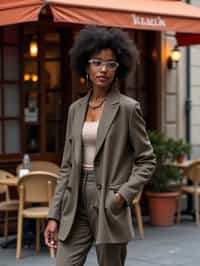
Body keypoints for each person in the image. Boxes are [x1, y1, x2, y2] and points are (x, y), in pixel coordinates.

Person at [44, 25, 156, 266]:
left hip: (109, 200)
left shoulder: (127, 108)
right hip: (75, 202)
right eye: (97, 62)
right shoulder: (75, 110)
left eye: (111, 64)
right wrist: (54, 215)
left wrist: (122, 196)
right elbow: (66, 167)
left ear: (119, 69)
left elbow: (147, 160)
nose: (103, 69)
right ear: (86, 65)